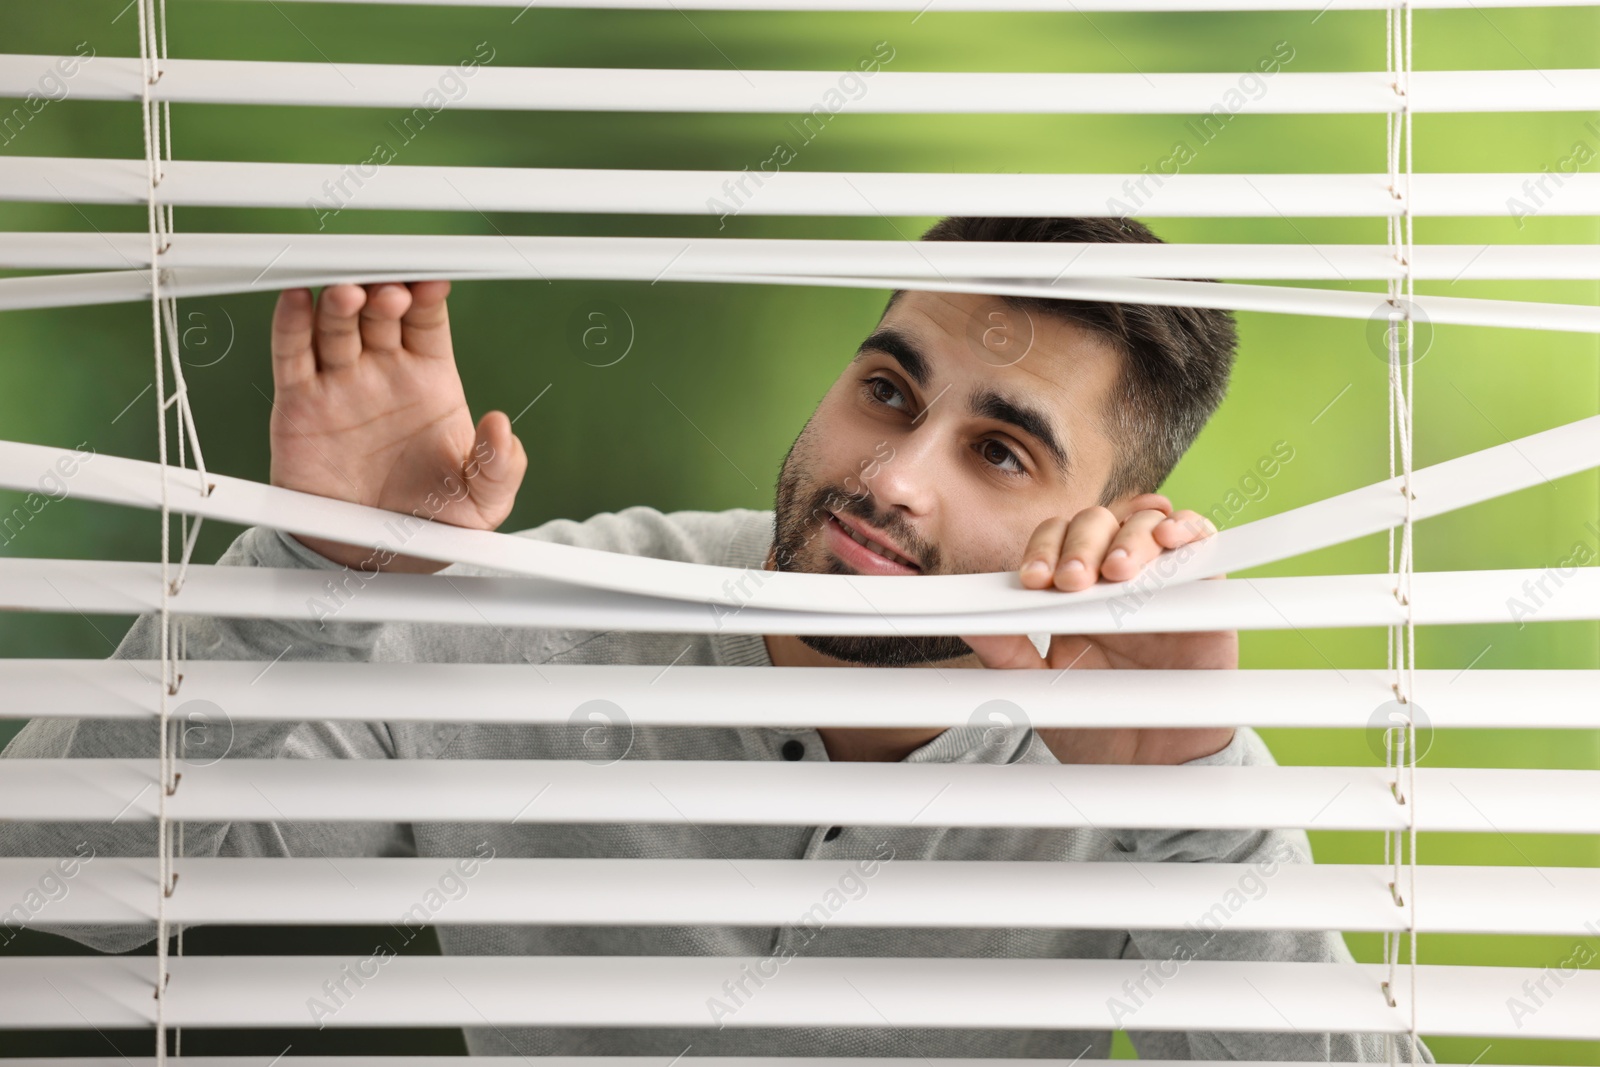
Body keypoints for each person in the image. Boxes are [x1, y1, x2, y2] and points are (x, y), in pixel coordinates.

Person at [1, 216, 1431, 1060]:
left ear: (1110, 522)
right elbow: (75, 879)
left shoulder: (1140, 760)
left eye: (999, 454)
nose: (891, 477)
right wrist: (316, 571)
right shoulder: (528, 631)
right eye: (887, 389)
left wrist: (1189, 804)